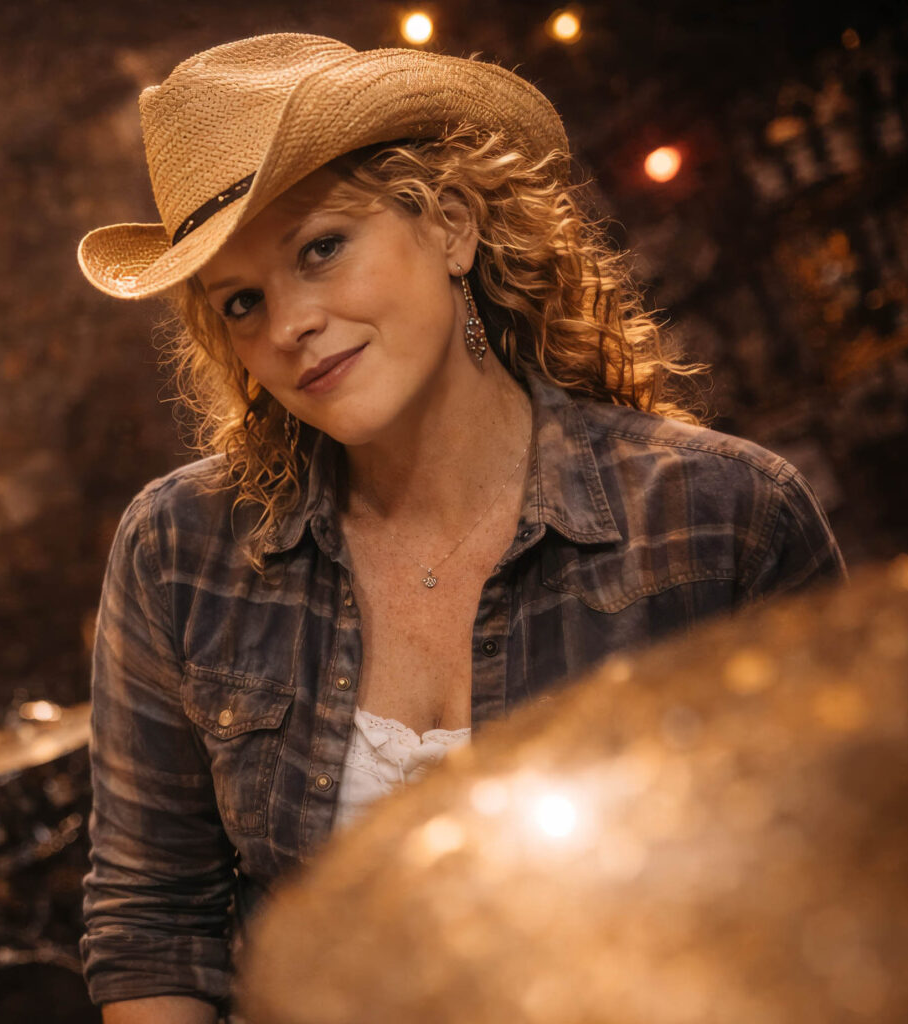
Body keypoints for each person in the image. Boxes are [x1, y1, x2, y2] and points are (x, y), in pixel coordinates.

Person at [75, 32, 846, 1024]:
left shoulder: (720, 519)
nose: (289, 325)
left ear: (448, 226)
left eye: (321, 248)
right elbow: (152, 922)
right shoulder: (180, 552)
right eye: (241, 302)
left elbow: (843, 877)